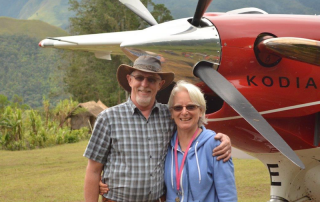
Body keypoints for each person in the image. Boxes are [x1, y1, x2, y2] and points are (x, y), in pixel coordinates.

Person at [84, 55, 232, 202]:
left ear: (160, 84)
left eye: (151, 79)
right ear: (130, 80)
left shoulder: (169, 115)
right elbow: (93, 170)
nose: (144, 84)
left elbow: (194, 126)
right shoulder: (108, 118)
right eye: (139, 77)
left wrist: (222, 139)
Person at [164, 80, 237, 202]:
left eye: (191, 106)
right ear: (171, 113)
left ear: (201, 111)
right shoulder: (167, 146)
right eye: (178, 108)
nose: (184, 112)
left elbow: (228, 196)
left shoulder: (215, 145)